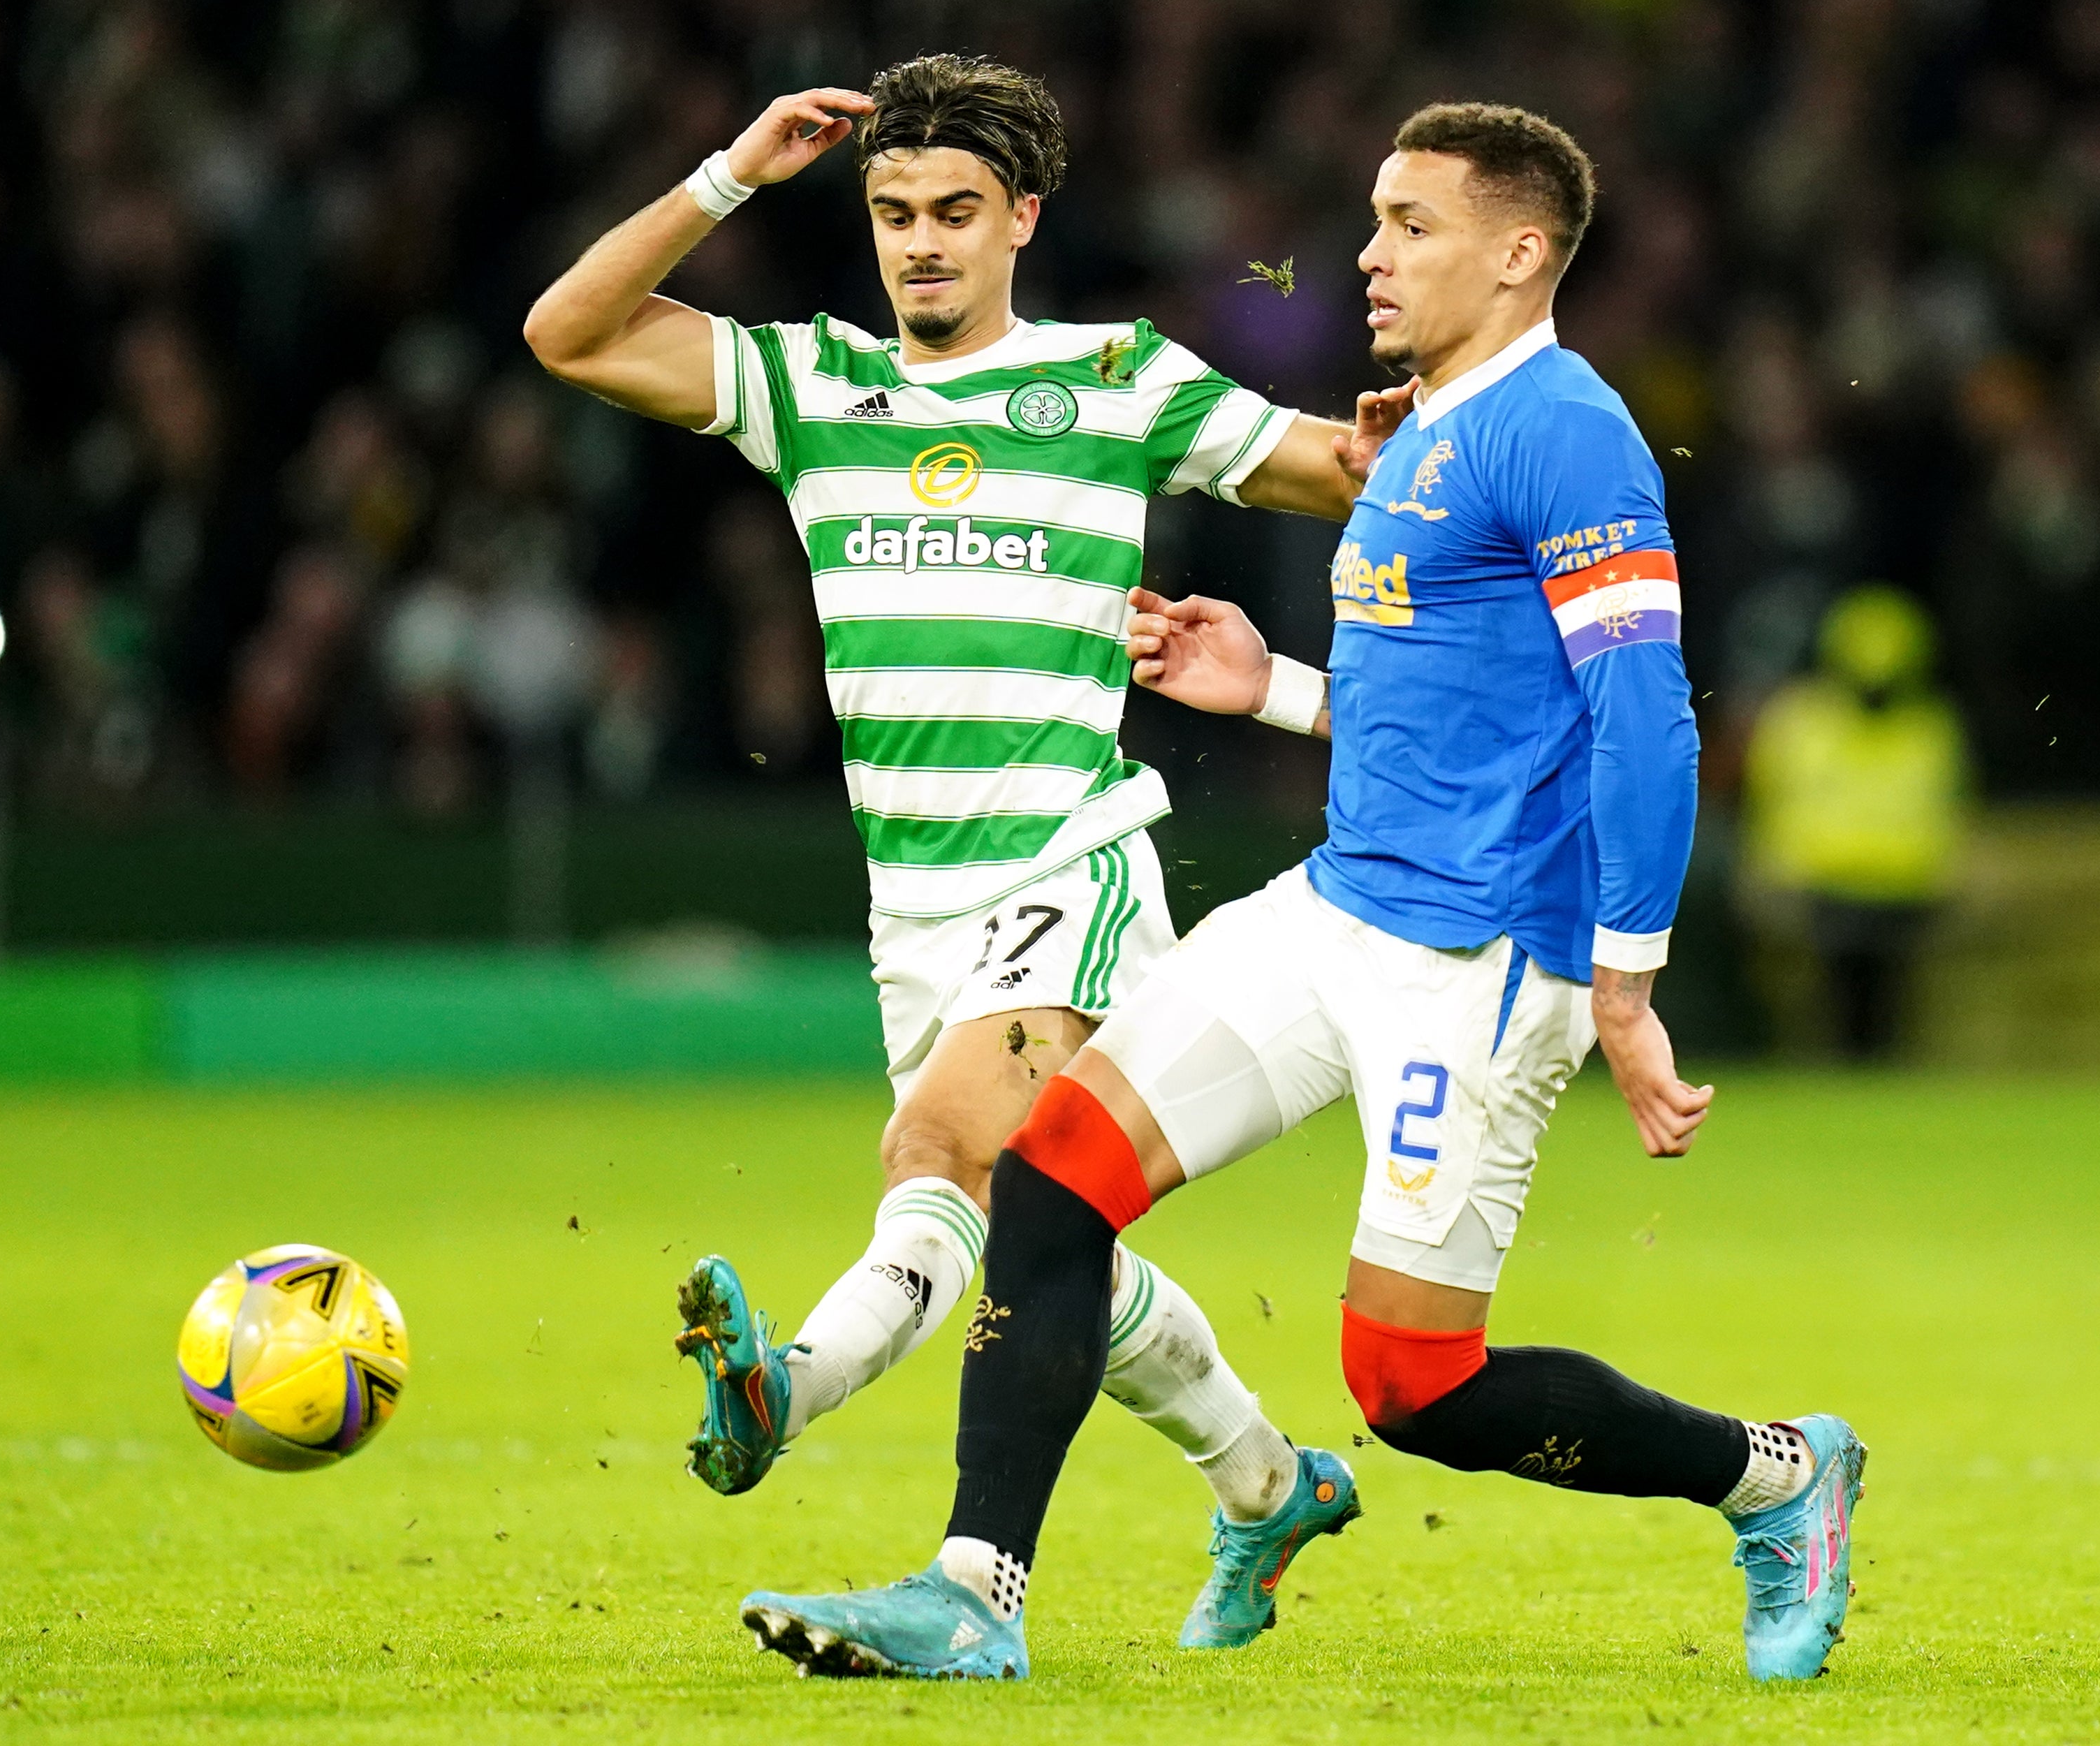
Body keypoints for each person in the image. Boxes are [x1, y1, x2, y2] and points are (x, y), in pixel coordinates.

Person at [738, 103, 1863, 1684]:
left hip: (1478, 959)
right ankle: (975, 1584)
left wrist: (1623, 982)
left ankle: (1779, 1471)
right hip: (1334, 906)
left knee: (1413, 1383)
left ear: (1520, 251)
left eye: (1411, 222)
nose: (1366, 250)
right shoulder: (1419, 429)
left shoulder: (1566, 429)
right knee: (1047, 1179)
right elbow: (1464, 699)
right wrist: (1268, 687)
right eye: (1373, 215)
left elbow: (1643, 711)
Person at [521, 54, 1409, 1648]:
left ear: (1021, 220)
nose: (918, 242)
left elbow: (1345, 474)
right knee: (1032, 1229)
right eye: (889, 213)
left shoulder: (1121, 383)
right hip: (911, 913)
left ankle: (785, 1390)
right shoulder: (815, 391)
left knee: (937, 1155)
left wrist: (1404, 444)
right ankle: (1268, 1481)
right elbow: (567, 332)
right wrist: (731, 174)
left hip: (1068, 867)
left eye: (950, 212)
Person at [1739, 584, 1969, 1058]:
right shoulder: (1927, 725)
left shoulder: (1804, 719)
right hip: (1832, 888)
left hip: (1892, 888)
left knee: (1879, 1011)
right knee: (1841, 1009)